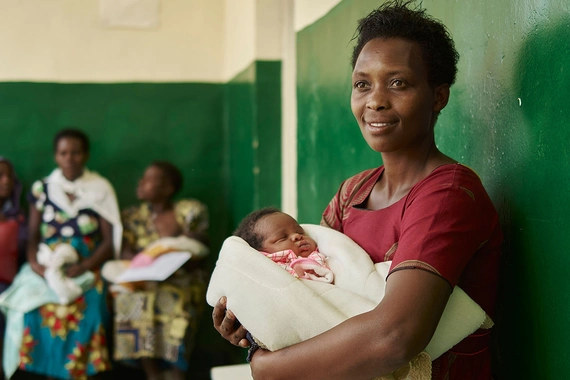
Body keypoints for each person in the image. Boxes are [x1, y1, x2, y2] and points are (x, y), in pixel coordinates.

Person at [212, 1, 502, 379]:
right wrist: (254, 323)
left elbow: (395, 338)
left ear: (439, 96)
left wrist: (267, 367)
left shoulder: (447, 194)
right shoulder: (353, 193)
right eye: (362, 84)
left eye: (398, 83)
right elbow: (310, 297)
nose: (375, 100)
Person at [0, 128, 122, 380]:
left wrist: (87, 264)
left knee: (92, 307)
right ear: (56, 156)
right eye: (63, 153)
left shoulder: (100, 189)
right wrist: (35, 265)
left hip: (86, 263)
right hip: (46, 260)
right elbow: (33, 236)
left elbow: (109, 242)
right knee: (30, 306)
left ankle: (80, 372)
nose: (69, 158)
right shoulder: (42, 189)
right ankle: (41, 372)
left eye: (76, 152)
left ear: (86, 155)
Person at [112, 161, 209, 380]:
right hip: (144, 279)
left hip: (180, 280)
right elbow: (125, 252)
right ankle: (152, 374)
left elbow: (198, 245)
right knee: (131, 303)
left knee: (176, 306)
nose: (141, 183)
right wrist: (150, 262)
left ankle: (177, 373)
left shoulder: (188, 211)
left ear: (168, 188)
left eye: (149, 179)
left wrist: (169, 255)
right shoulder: (132, 217)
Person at [233, 207, 333, 283]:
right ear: (261, 252)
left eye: (300, 231)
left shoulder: (322, 256)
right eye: (282, 238)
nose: (297, 236)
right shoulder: (264, 268)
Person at [0, 158, 26, 380]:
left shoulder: (19, 218)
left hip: (10, 285)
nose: (6, 181)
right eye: (0, 176)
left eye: (9, 176)